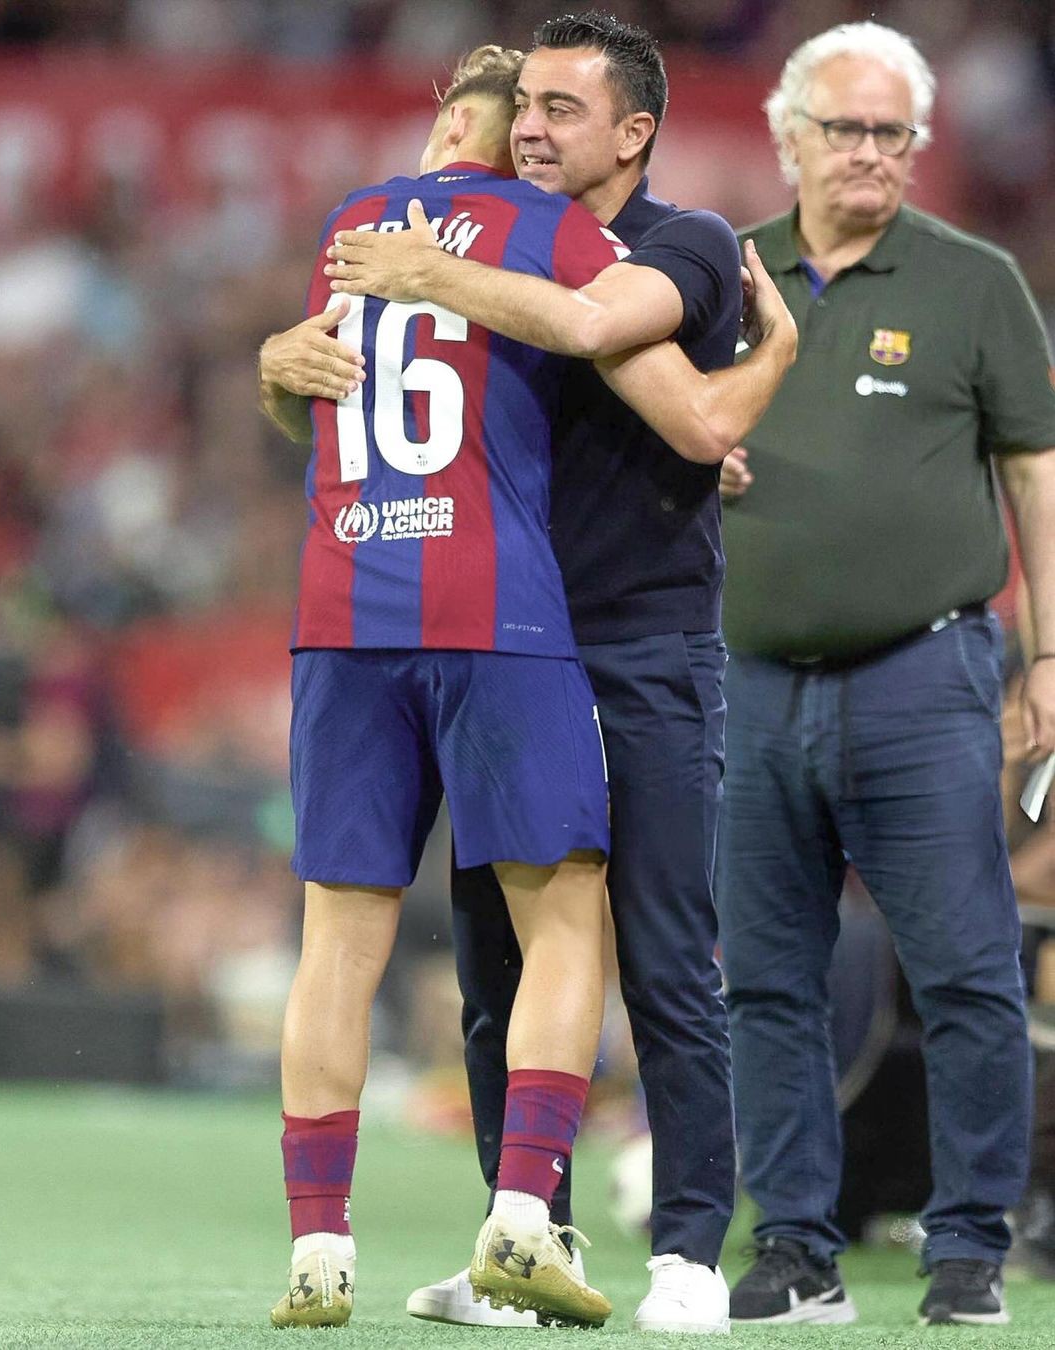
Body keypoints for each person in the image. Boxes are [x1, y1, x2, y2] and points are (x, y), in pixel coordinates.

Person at [325, 9, 796, 1332]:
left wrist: (429, 272)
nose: (528, 125)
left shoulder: (685, 242)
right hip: (491, 638)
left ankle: (692, 1248)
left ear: (635, 132)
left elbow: (595, 326)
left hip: (641, 638)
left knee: (659, 945)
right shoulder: (486, 237)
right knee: (494, 963)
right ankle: (521, 1241)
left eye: (562, 108)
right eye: (522, 103)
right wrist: (290, 358)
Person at [260, 44, 626, 1330]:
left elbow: (306, 381)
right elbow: (625, 320)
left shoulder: (347, 230)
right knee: (567, 910)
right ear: (511, 132)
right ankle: (523, 1214)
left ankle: (318, 1250)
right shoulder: (546, 222)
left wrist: (266, 363)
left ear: (435, 127)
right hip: (492, 608)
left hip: (342, 608)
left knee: (336, 943)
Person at [711, 21, 1055, 1327]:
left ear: (920, 144)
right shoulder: (720, 274)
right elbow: (659, 433)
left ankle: (969, 1243)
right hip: (749, 673)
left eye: (893, 132)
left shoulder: (975, 283)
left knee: (968, 964)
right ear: (788, 136)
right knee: (767, 976)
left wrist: (1049, 651)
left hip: (927, 672)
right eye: (846, 128)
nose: (871, 153)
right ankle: (795, 1244)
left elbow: (1037, 470)